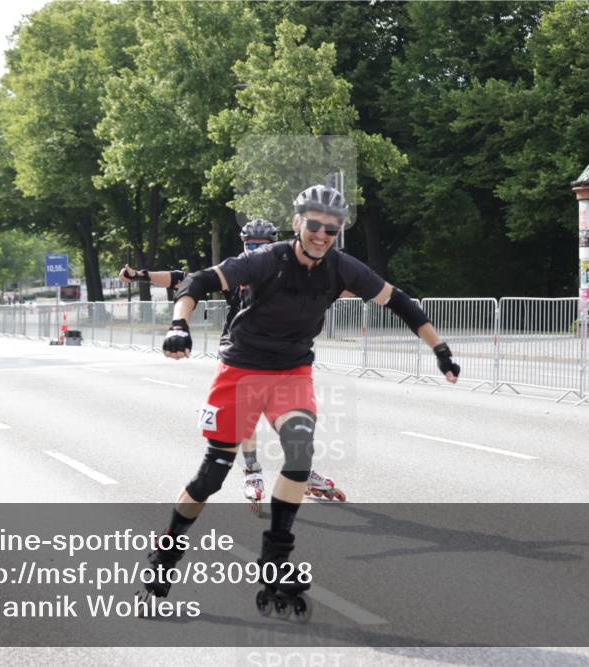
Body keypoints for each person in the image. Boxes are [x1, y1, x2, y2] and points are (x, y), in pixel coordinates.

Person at [140, 185, 460, 620]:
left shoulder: (342, 268)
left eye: (331, 229)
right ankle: (165, 555)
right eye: (314, 225)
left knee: (299, 450)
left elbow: (399, 302)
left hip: (292, 373)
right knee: (211, 476)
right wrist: (179, 325)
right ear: (297, 223)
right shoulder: (266, 260)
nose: (321, 235)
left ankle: (274, 560)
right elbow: (198, 281)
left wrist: (440, 349)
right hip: (241, 372)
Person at [119, 221, 346, 513]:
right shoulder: (241, 270)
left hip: (283, 356)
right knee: (246, 415)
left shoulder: (291, 270)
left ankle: (301, 468)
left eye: (262, 244)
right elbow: (185, 279)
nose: (256, 250)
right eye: (250, 244)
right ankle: (252, 470)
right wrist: (142, 275)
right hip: (241, 354)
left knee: (295, 415)